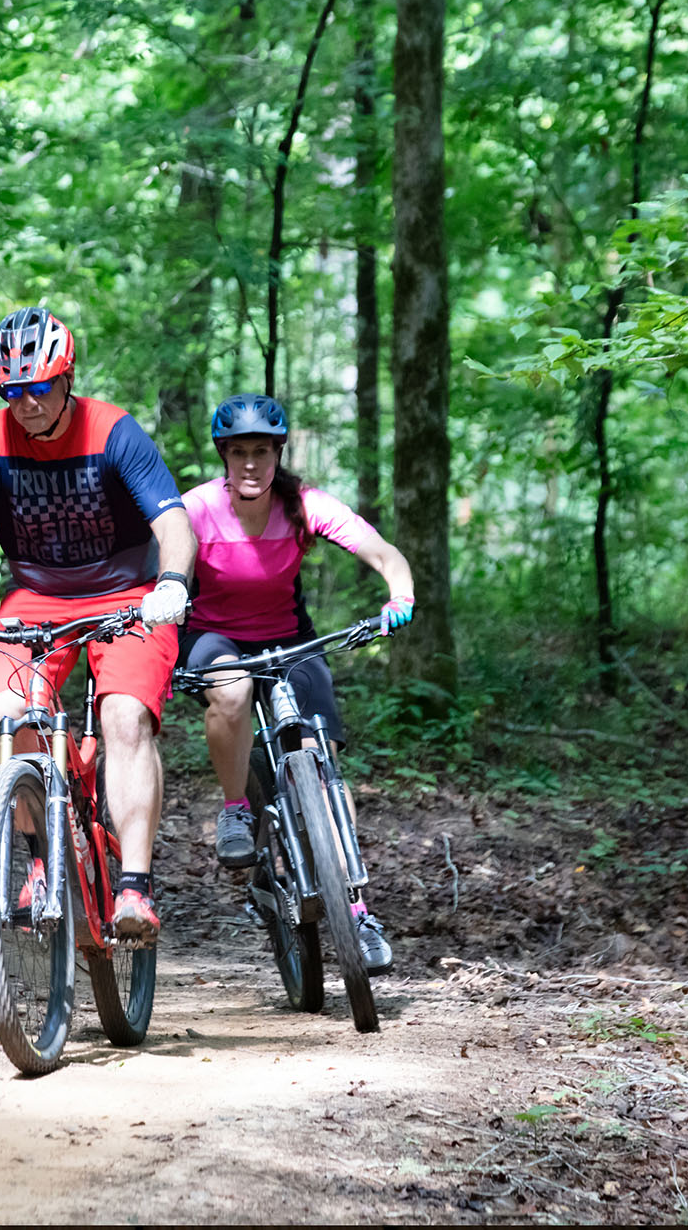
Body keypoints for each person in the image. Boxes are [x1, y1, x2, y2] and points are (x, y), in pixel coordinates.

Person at [0, 307, 194, 947]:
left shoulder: (114, 432)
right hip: (38, 598)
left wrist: (173, 583)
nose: (24, 402)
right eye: (10, 389)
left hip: (128, 595)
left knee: (126, 716)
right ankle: (43, 863)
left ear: (66, 379)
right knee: (3, 714)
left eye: (38, 387)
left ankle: (133, 887)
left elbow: (175, 528)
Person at [180, 393, 415, 974]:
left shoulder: (303, 504)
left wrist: (400, 594)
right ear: (223, 457)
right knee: (231, 692)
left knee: (321, 756)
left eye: (263, 451)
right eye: (240, 453)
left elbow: (384, 552)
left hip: (289, 639)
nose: (252, 464)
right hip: (215, 639)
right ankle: (236, 808)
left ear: (278, 454)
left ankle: (356, 911)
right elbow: (157, 570)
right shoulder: (196, 509)